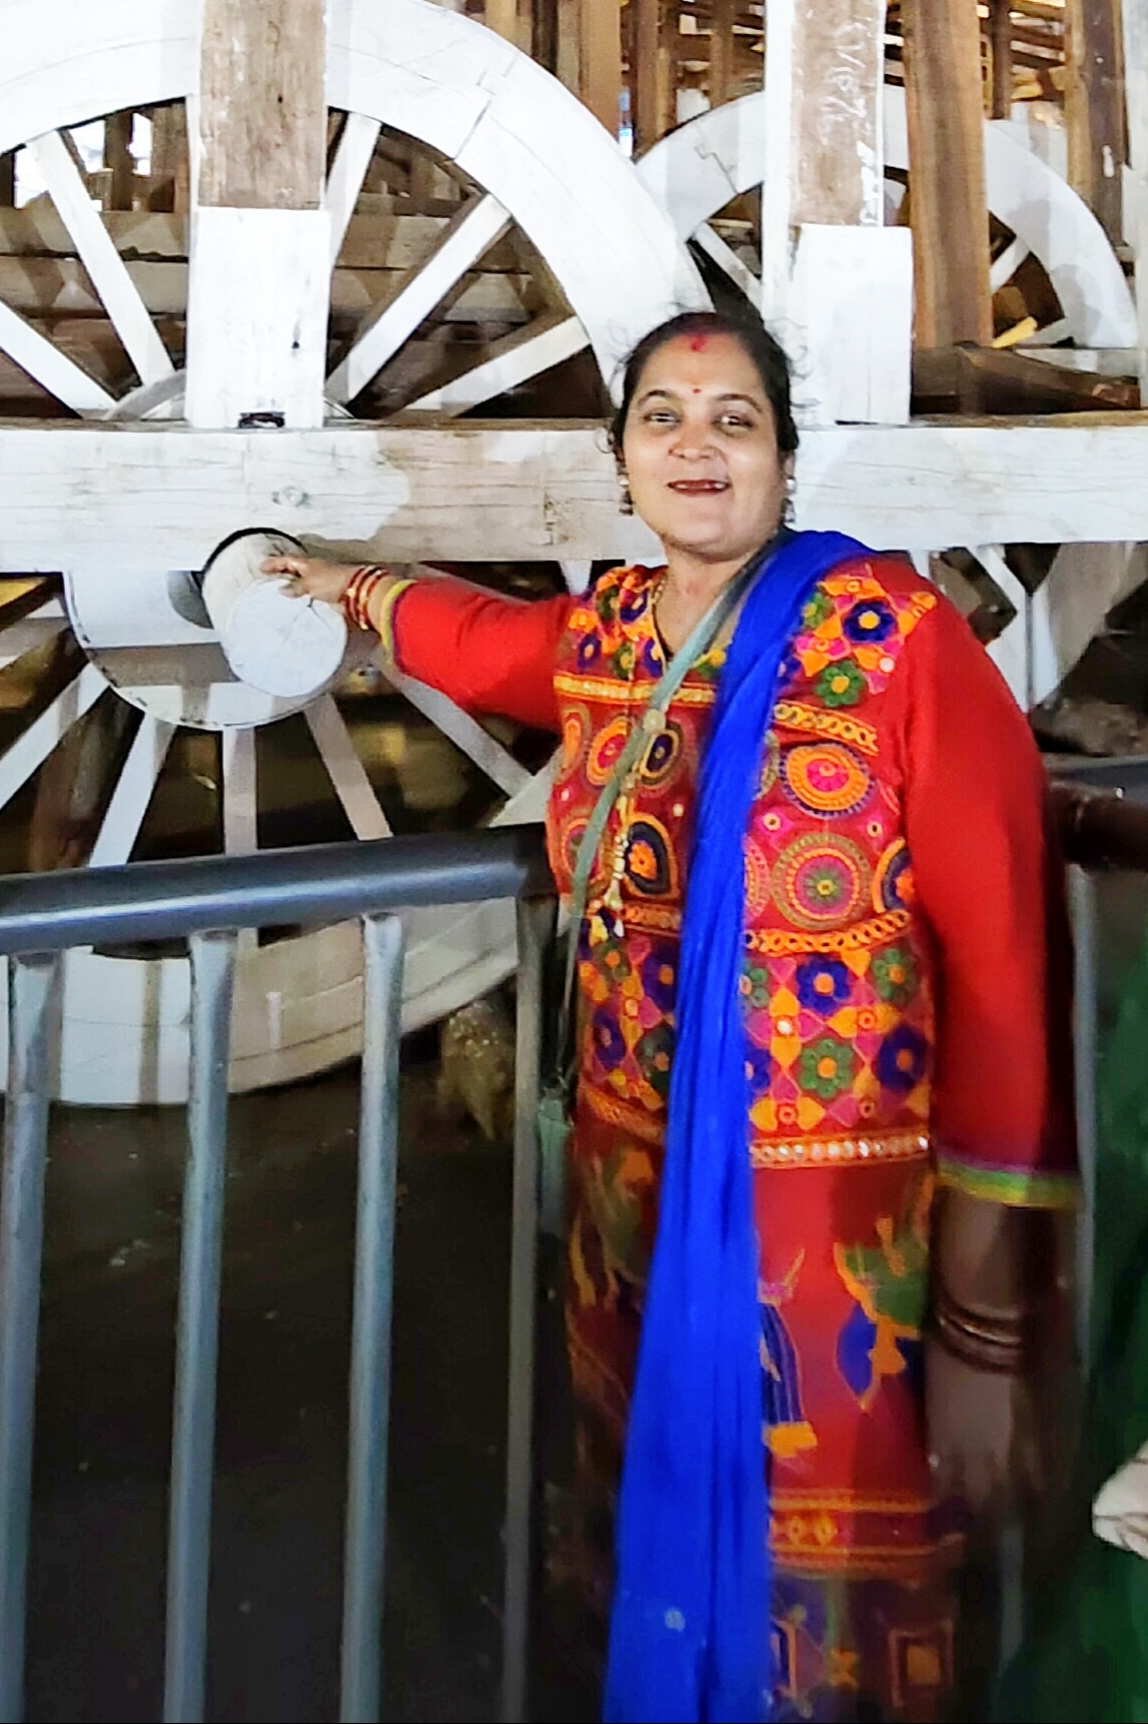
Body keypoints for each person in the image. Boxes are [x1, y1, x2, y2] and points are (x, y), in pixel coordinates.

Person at [265, 310, 1076, 1723]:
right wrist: (344, 584)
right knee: (649, 1568)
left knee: (834, 1633)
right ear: (624, 459)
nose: (697, 445)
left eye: (734, 419)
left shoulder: (899, 648)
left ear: (785, 459)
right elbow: (484, 643)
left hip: (844, 1267)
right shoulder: (607, 641)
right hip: (628, 1229)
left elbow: (1006, 976)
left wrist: (987, 1332)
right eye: (662, 418)